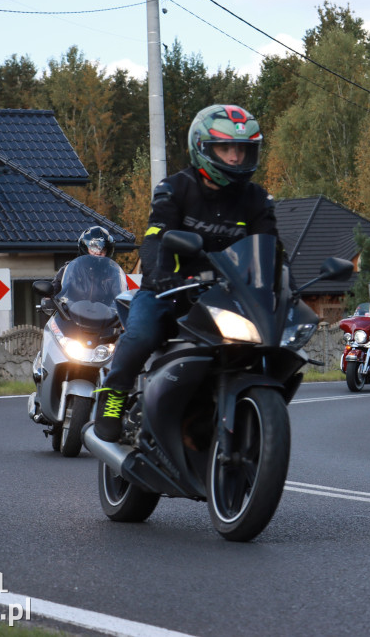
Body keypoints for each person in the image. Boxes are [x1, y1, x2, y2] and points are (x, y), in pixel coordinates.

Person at [93, 104, 279, 442]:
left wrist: (283, 288)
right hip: (170, 290)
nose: (236, 157)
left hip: (227, 296)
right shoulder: (175, 188)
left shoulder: (257, 199)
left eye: (242, 149)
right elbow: (154, 238)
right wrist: (160, 274)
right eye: (226, 148)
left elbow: (271, 251)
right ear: (203, 147)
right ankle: (114, 395)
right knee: (141, 336)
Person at [50, 226, 115, 294]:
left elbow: (121, 295)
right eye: (94, 248)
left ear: (107, 252)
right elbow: (53, 291)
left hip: (104, 304)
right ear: (85, 248)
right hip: (72, 304)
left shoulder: (113, 273)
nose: (98, 252)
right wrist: (49, 296)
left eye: (103, 249)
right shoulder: (70, 269)